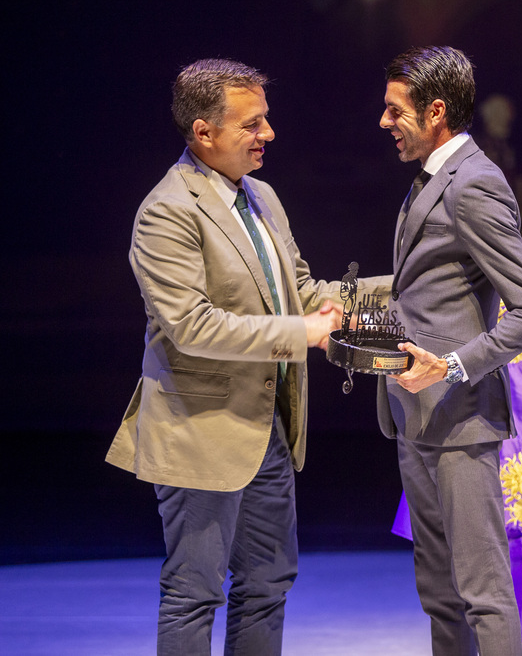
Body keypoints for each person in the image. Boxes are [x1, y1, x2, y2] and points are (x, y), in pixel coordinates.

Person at [106, 58, 347, 656]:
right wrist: (302, 333)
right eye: (253, 123)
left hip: (267, 428)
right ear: (203, 132)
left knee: (268, 583)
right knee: (195, 593)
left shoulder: (261, 196)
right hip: (201, 429)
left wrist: (408, 288)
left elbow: (304, 289)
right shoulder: (166, 211)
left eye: (266, 119)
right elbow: (191, 326)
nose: (268, 134)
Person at [376, 46, 522, 656]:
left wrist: (453, 365)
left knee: (481, 590)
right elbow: (421, 288)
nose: (384, 122)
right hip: (416, 415)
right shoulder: (431, 179)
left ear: (434, 112)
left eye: (394, 110)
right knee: (439, 591)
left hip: (459, 420)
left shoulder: (474, 184)